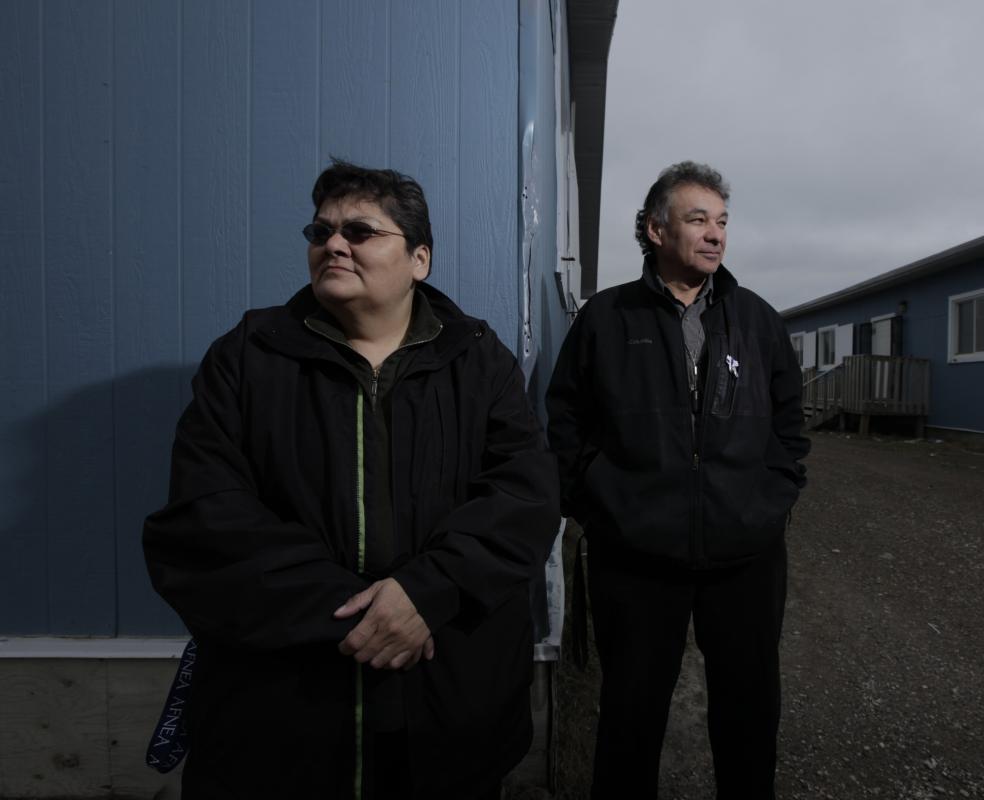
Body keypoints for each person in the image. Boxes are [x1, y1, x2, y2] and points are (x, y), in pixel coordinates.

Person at [143, 159, 559, 799]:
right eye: (319, 232)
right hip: (283, 716)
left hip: (444, 705)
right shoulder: (249, 357)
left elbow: (524, 496)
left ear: (419, 259)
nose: (332, 244)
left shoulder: (478, 358)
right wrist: (354, 615)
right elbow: (206, 518)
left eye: (360, 231)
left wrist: (426, 593)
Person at [545, 161, 810, 798]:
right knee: (632, 716)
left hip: (744, 559)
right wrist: (604, 506)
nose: (715, 234)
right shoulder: (606, 320)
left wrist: (765, 505)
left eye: (722, 222)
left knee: (749, 714)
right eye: (698, 220)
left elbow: (790, 432)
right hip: (636, 560)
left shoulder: (758, 321)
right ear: (655, 229)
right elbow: (563, 424)